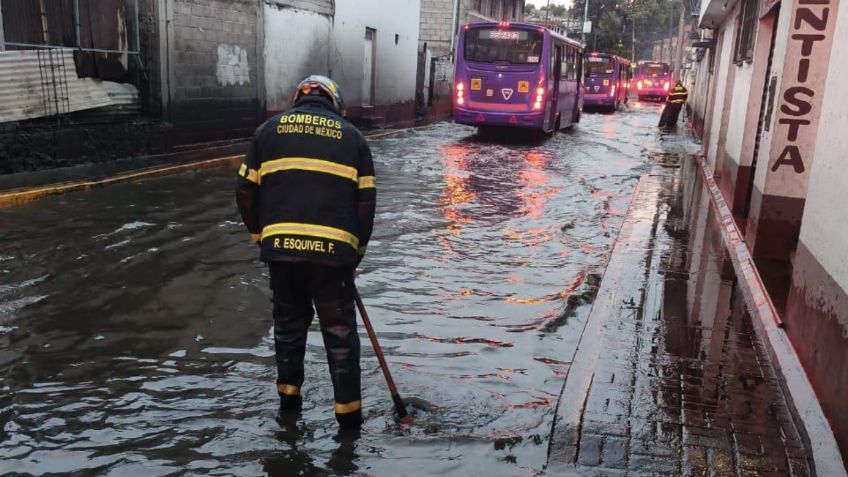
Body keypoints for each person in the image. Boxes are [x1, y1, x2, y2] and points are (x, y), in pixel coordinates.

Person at [236, 75, 376, 429]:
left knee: (287, 329)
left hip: (281, 253)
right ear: (335, 103)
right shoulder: (353, 138)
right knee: (340, 336)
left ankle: (289, 411)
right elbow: (366, 205)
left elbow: (244, 191)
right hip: (334, 257)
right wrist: (354, 255)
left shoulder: (266, 132)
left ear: (297, 98)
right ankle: (349, 423)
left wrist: (261, 237)